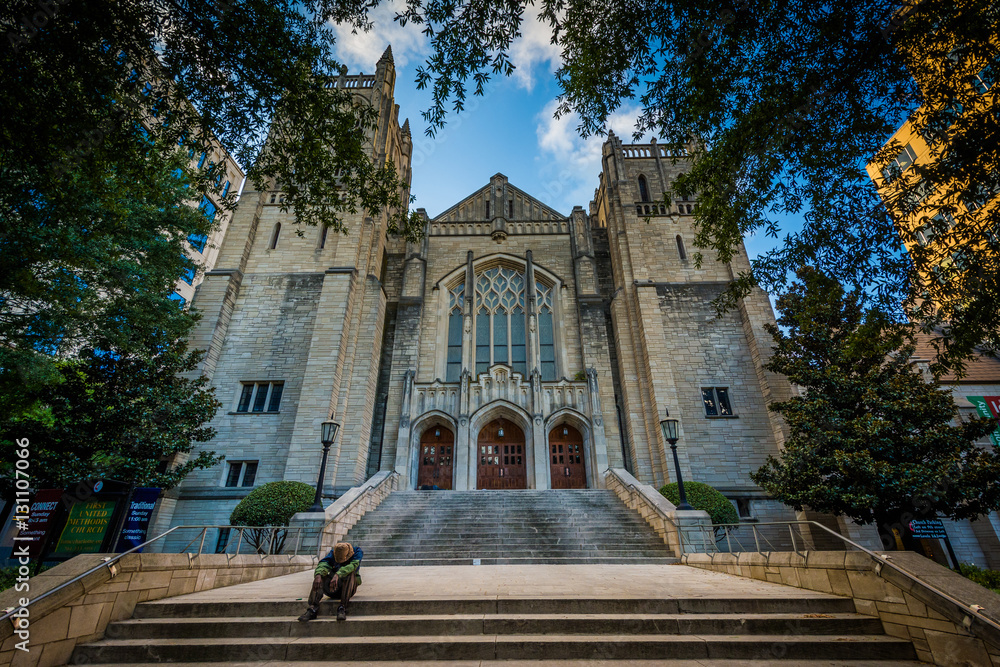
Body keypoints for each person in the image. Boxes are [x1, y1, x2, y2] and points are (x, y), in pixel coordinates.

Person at [298, 541, 363, 622]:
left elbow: (353, 565)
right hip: (332, 587)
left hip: (347, 588)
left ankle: (342, 607)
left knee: (351, 573)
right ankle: (313, 608)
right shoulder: (334, 552)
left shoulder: (357, 552)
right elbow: (324, 563)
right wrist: (318, 575)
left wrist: (338, 574)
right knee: (320, 575)